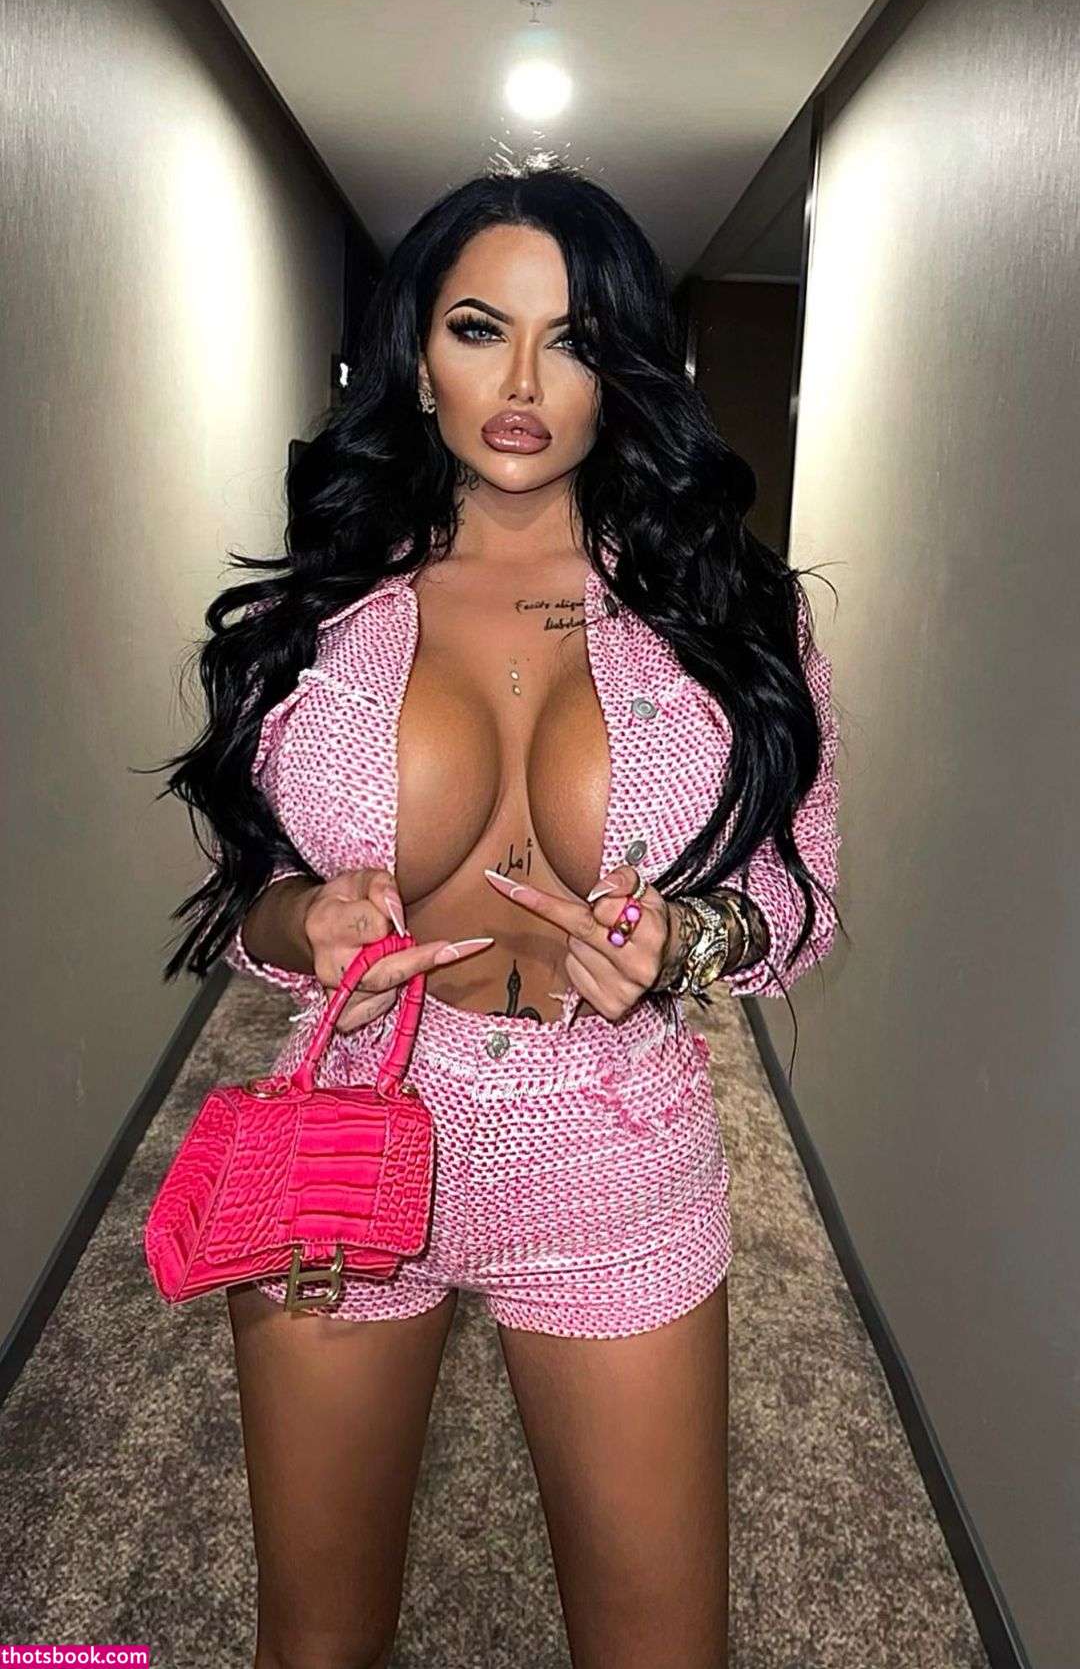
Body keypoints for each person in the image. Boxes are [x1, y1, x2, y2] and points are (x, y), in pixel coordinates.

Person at [162, 156, 843, 1669]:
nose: (524, 384)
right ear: (420, 355)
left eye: (573, 340)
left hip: (616, 1158)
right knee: (316, 1643)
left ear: (624, 372)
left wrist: (689, 940)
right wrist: (299, 923)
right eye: (482, 330)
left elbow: (800, 897)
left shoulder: (729, 611)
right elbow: (246, 899)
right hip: (353, 1128)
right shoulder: (320, 610)